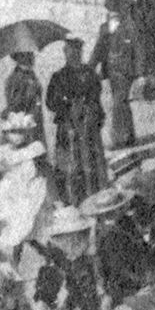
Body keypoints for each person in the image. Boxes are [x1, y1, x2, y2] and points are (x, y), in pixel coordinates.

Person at [46, 38, 108, 205]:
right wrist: (68, 105)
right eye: (69, 52)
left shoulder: (90, 74)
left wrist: (94, 114)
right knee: (69, 168)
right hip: (68, 130)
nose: (73, 55)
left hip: (88, 129)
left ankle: (95, 197)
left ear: (80, 53)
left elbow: (97, 99)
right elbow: (50, 102)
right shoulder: (58, 77)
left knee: (91, 166)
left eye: (76, 52)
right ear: (65, 54)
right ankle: (72, 200)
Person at [91, 12, 143, 151]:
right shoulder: (104, 28)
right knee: (122, 103)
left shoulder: (130, 27)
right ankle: (129, 136)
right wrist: (90, 67)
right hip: (110, 73)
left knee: (118, 103)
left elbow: (137, 51)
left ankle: (117, 139)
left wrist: (139, 74)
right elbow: (98, 49)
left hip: (125, 73)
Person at [4, 53, 46, 151]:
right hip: (23, 124)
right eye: (28, 54)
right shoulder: (15, 78)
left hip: (35, 122)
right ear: (20, 57)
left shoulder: (31, 75)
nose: (33, 56)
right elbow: (13, 103)